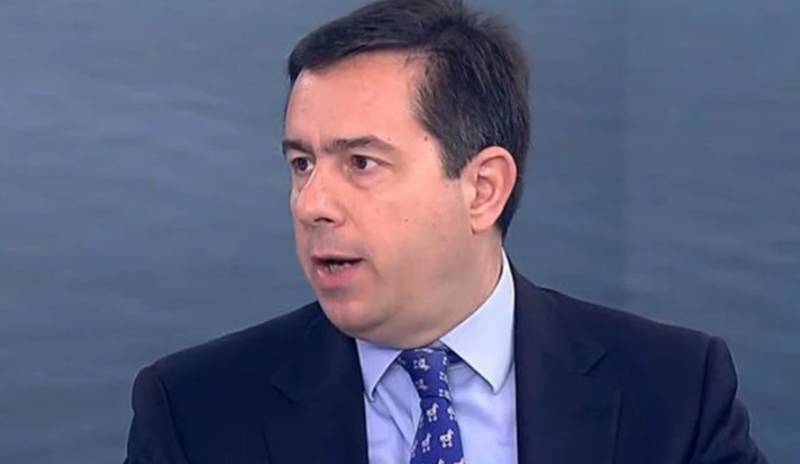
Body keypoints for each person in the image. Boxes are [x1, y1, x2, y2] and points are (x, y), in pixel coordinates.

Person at [124, 1, 767, 463]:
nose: (312, 204)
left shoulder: (675, 394)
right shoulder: (194, 413)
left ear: (483, 188)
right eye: (302, 164)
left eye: (361, 163)